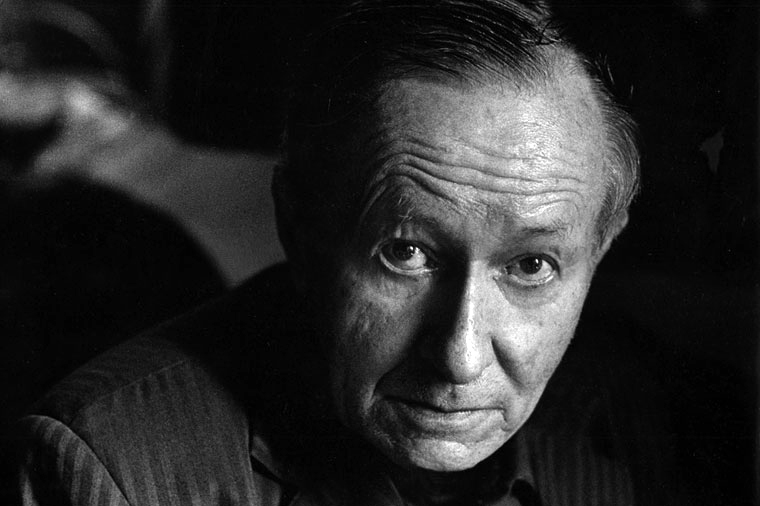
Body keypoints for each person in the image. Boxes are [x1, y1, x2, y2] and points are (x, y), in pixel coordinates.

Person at [10, 1, 680, 504]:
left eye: (531, 266)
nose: (460, 357)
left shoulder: (649, 435)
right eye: (407, 253)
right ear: (299, 224)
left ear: (602, 246)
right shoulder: (111, 471)